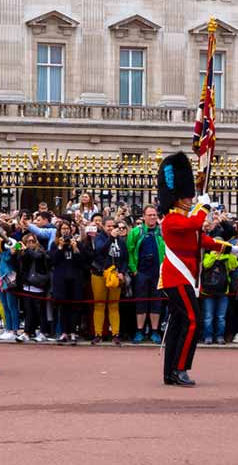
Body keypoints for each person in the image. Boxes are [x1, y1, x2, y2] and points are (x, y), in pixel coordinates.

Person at [157, 151, 226, 387]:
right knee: (192, 320)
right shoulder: (171, 219)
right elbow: (195, 224)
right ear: (176, 198)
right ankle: (180, 368)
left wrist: (228, 249)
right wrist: (204, 207)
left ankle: (170, 372)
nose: (190, 199)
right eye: (187, 197)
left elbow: (201, 239)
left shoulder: (183, 218)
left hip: (184, 277)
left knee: (179, 323)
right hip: (177, 277)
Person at [127, 205, 164, 343]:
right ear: (144, 216)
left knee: (157, 303)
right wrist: (134, 270)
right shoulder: (136, 232)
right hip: (141, 273)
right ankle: (140, 331)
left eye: (154, 215)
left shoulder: (162, 232)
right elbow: (129, 251)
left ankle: (155, 332)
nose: (152, 217)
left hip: (157, 273)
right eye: (150, 215)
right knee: (140, 303)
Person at [90, 217, 128, 345]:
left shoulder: (121, 241)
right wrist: (111, 238)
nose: (111, 228)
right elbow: (100, 251)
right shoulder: (99, 238)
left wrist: (122, 272)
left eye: (113, 226)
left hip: (115, 275)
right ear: (103, 227)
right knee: (99, 304)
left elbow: (124, 258)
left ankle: (115, 334)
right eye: (108, 226)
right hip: (99, 274)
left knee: (113, 304)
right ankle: (98, 333)